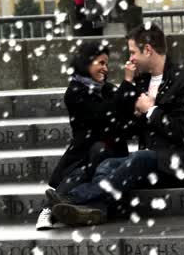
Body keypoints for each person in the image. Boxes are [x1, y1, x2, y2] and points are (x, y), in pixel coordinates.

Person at [50, 23, 184, 226]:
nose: (131, 59)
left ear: (148, 50)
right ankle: (96, 210)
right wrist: (136, 116)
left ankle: (74, 197)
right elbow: (129, 128)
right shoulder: (143, 83)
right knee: (107, 164)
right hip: (156, 164)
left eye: (133, 52)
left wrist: (151, 111)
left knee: (141, 157)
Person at [35, 42, 129, 230]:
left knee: (99, 156)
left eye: (107, 64)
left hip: (111, 152)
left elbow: (120, 119)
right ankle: (51, 210)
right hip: (84, 151)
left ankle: (63, 205)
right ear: (87, 62)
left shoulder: (108, 89)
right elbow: (101, 114)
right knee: (90, 162)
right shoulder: (75, 91)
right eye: (101, 63)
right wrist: (126, 85)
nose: (105, 68)